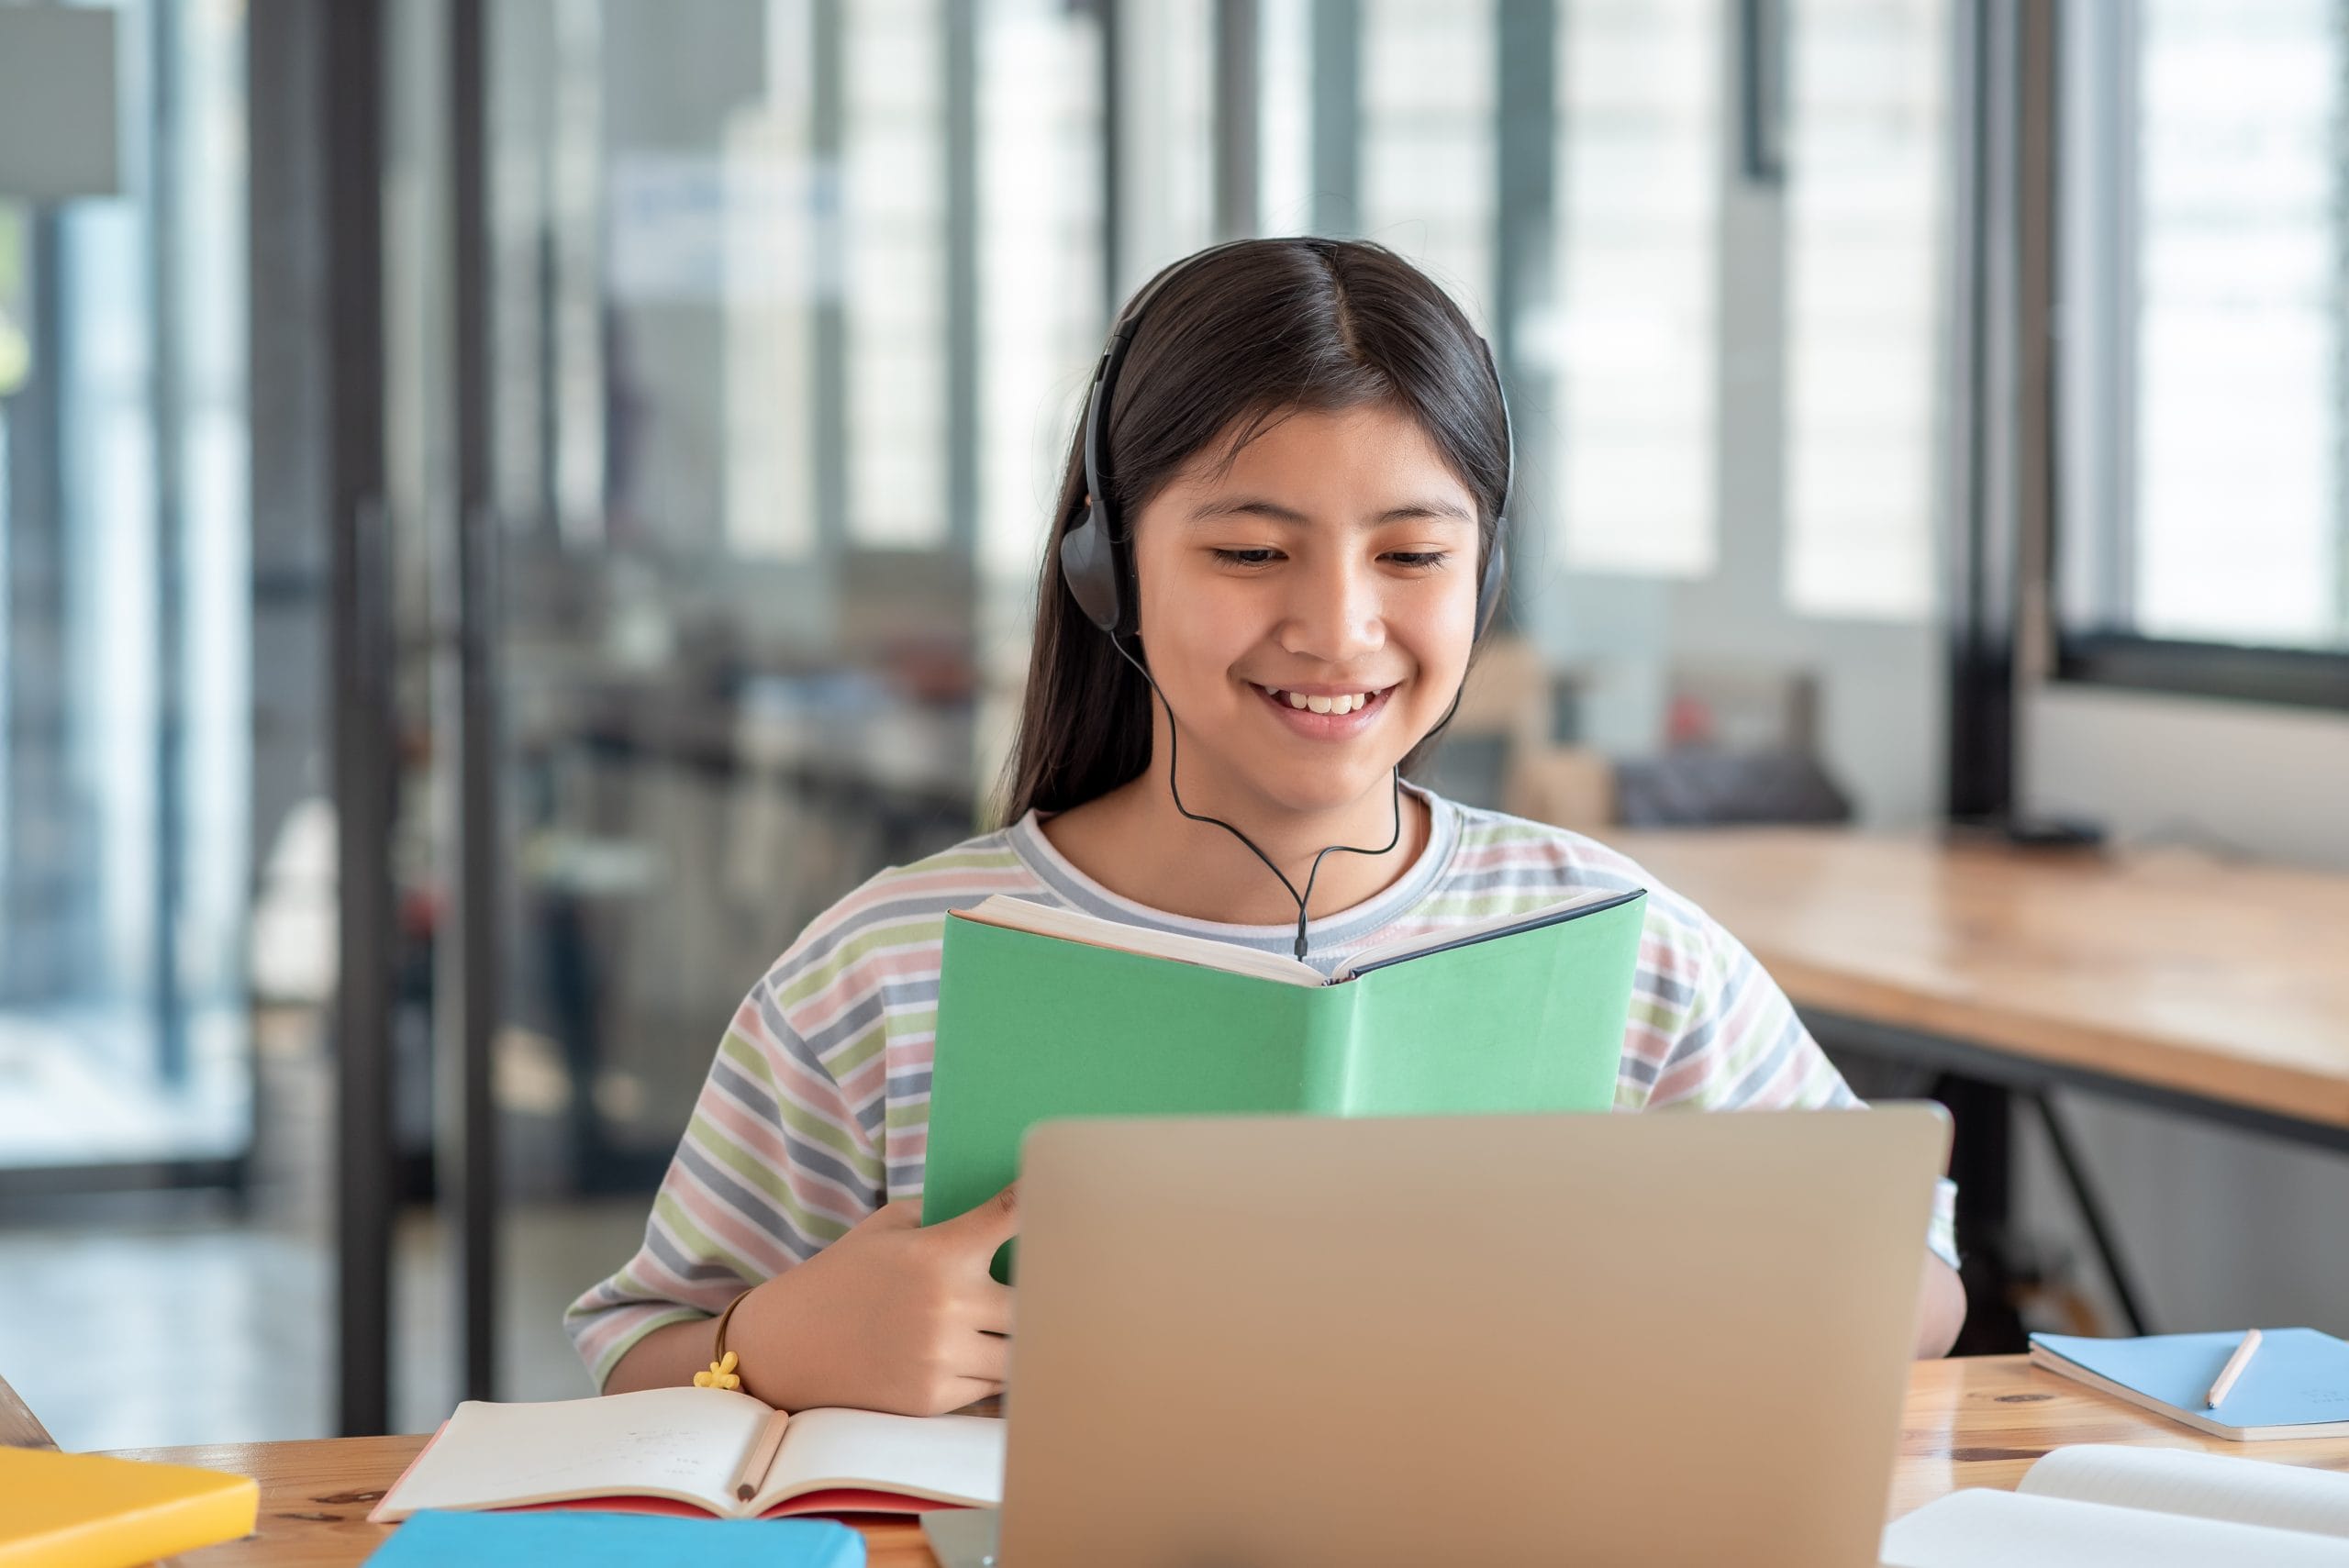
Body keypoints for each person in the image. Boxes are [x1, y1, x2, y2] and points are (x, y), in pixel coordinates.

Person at [566, 239, 1967, 1414]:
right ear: (1107, 566)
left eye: (1414, 555)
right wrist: (785, 1345)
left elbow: (1919, 1280)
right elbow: (637, 1353)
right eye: (1249, 551)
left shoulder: (1623, 948)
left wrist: (1687, 1278)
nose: (1339, 627)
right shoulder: (881, 969)